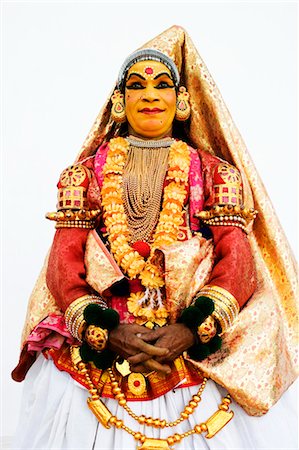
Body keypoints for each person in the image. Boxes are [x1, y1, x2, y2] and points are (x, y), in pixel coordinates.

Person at [12, 25, 298, 450]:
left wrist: (189, 330)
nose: (149, 95)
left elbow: (237, 262)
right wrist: (107, 333)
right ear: (119, 103)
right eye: (137, 86)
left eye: (163, 85)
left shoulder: (218, 174)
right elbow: (63, 263)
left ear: (181, 102)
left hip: (188, 340)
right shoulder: (84, 176)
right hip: (103, 343)